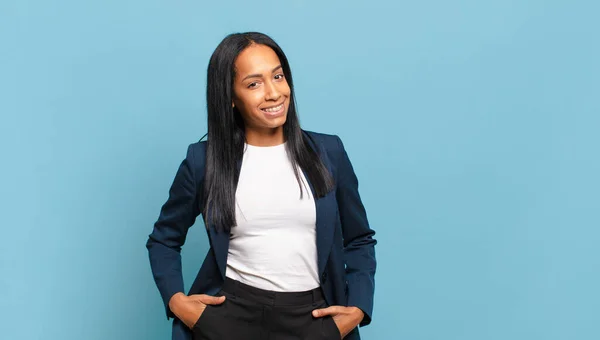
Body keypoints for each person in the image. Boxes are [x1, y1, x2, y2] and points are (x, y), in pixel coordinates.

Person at [146, 32, 377, 340]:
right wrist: (177, 302)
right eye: (254, 83)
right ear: (230, 96)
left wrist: (358, 307)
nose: (273, 93)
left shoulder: (328, 152)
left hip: (313, 320)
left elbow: (360, 239)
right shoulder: (204, 161)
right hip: (229, 319)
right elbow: (164, 239)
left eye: (278, 76)